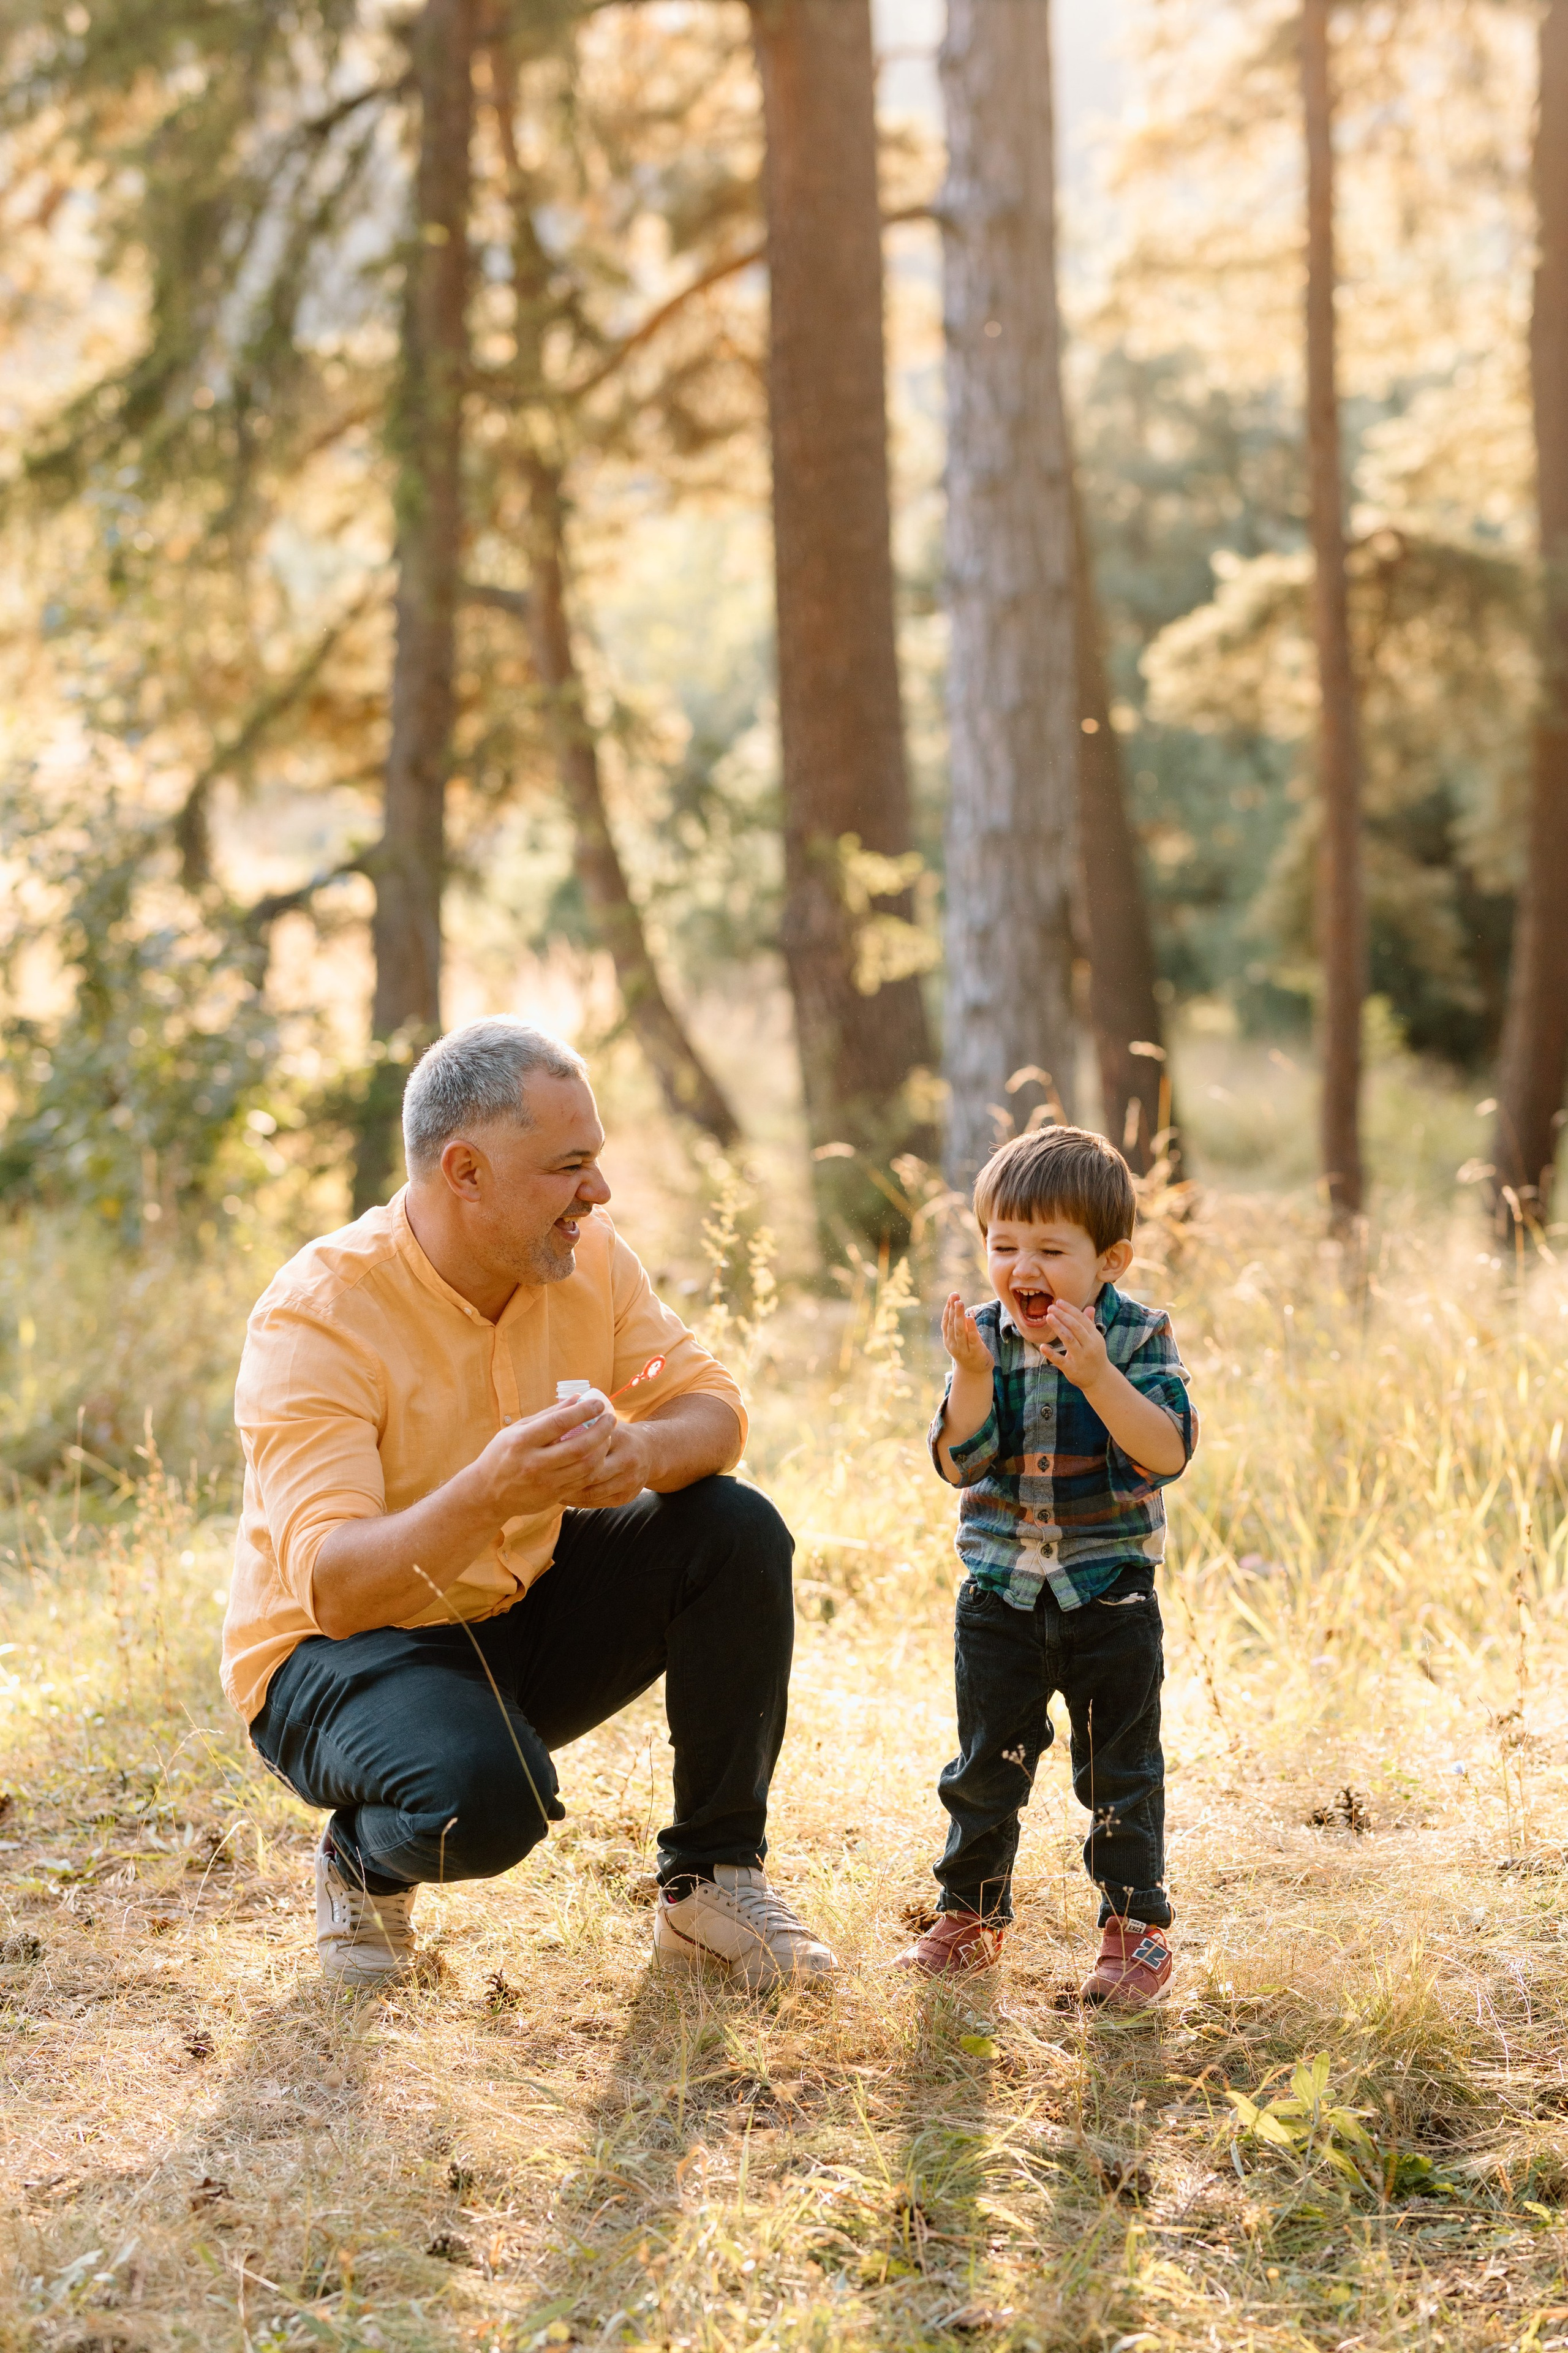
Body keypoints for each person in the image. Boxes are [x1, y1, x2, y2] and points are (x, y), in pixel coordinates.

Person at [223, 1018, 836, 1992]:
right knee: (487, 1802)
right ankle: (362, 1861)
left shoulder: (586, 1258)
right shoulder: (319, 1315)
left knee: (735, 1528)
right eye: (570, 1166)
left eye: (595, 1160)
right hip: (338, 1655)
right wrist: (490, 1490)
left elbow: (712, 1408)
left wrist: (639, 1450)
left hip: (512, 1603)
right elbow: (337, 1588)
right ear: (466, 1172)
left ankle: (711, 1883)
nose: (599, 1190)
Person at [895, 1125, 1197, 2009]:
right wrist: (970, 1377)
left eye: (1051, 1251)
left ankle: (1135, 1930)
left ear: (1110, 1261)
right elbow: (959, 1463)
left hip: (1110, 1595)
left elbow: (1167, 1451)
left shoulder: (1137, 1336)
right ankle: (970, 1915)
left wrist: (1098, 1376)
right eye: (1003, 1246)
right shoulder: (984, 1339)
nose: (1022, 1267)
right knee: (985, 1767)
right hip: (1001, 1594)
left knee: (1121, 1771)